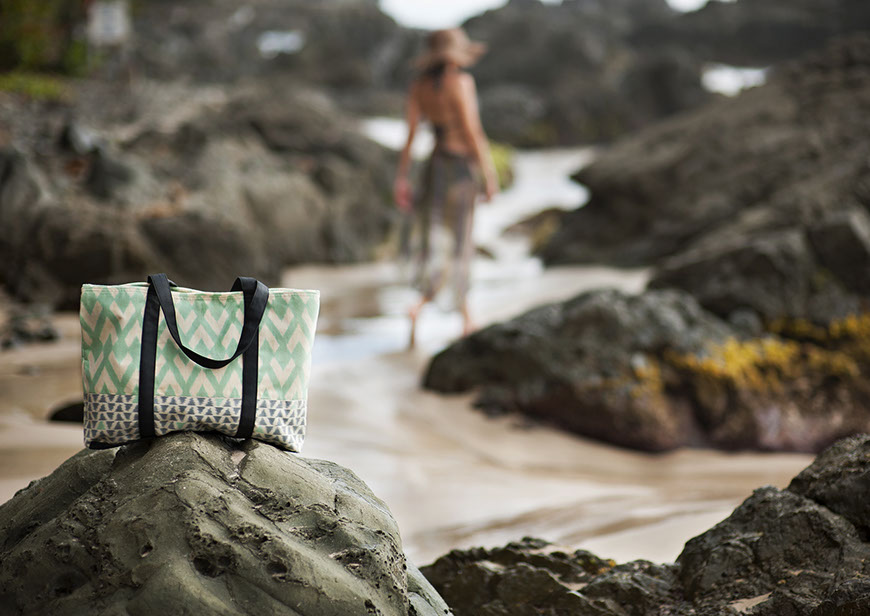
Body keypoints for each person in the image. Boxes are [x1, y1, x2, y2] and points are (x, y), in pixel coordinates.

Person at [394, 27, 498, 349]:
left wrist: (402, 179)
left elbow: (410, 137)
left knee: (435, 242)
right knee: (460, 244)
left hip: (433, 170)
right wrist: (489, 174)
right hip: (460, 170)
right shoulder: (461, 83)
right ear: (456, 56)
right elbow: (472, 131)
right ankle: (459, 317)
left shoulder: (419, 87)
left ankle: (429, 308)